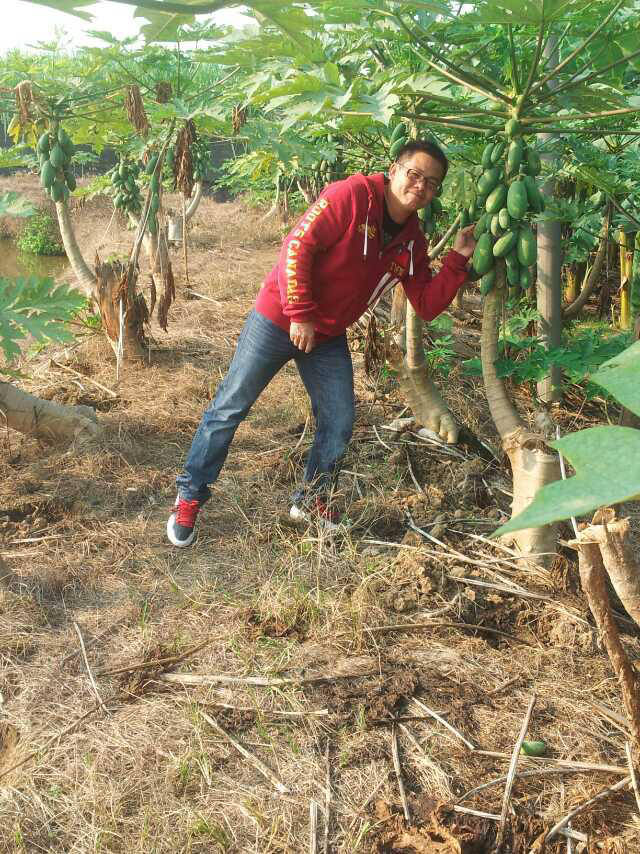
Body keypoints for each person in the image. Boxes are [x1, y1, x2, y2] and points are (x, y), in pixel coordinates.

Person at [167, 139, 476, 547]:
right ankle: (190, 495)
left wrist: (458, 258)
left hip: (327, 335)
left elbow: (427, 304)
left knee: (339, 419)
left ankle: (311, 499)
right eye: (414, 174)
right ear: (393, 170)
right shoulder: (351, 195)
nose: (420, 186)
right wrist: (300, 312)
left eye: (431, 183)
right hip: (279, 318)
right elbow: (297, 246)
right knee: (230, 407)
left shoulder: (411, 241)